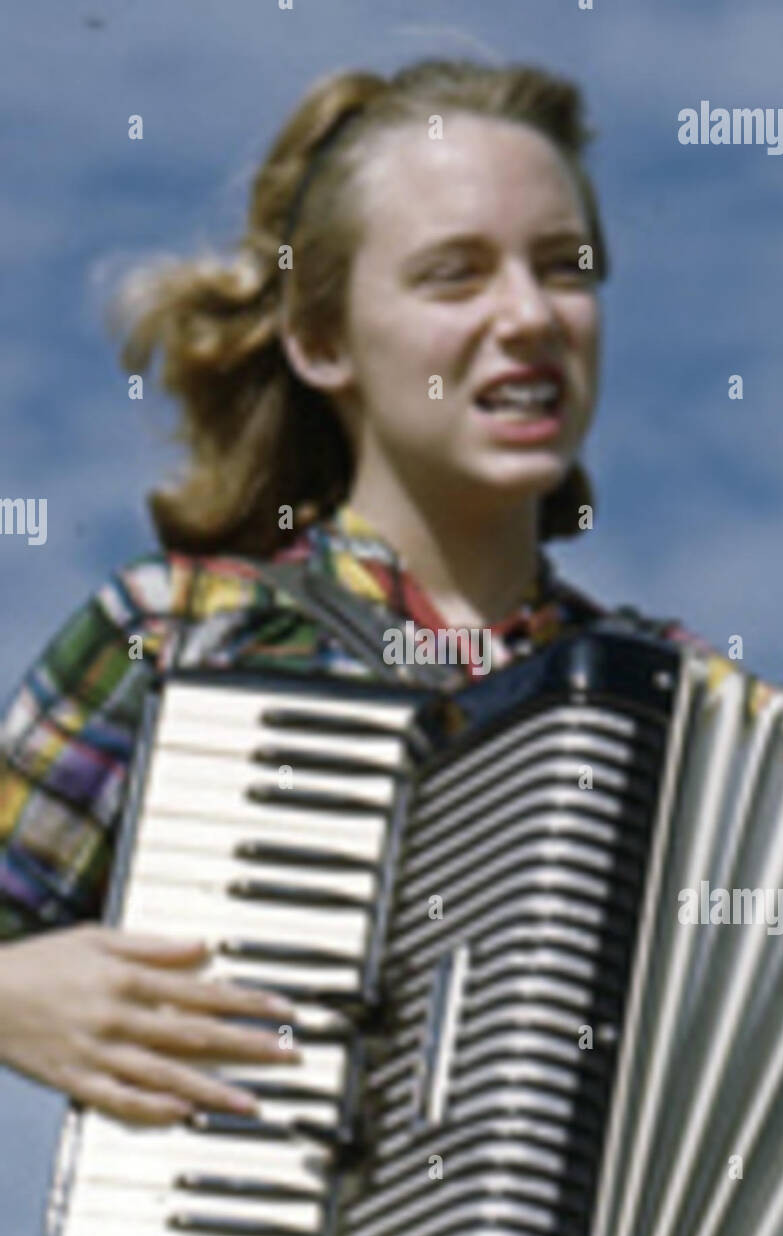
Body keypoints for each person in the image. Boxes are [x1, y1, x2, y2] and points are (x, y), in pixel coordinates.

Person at [0, 58, 742, 1128]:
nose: (530, 314)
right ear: (321, 340)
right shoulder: (175, 636)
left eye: (563, 268)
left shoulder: (690, 702)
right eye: (456, 274)